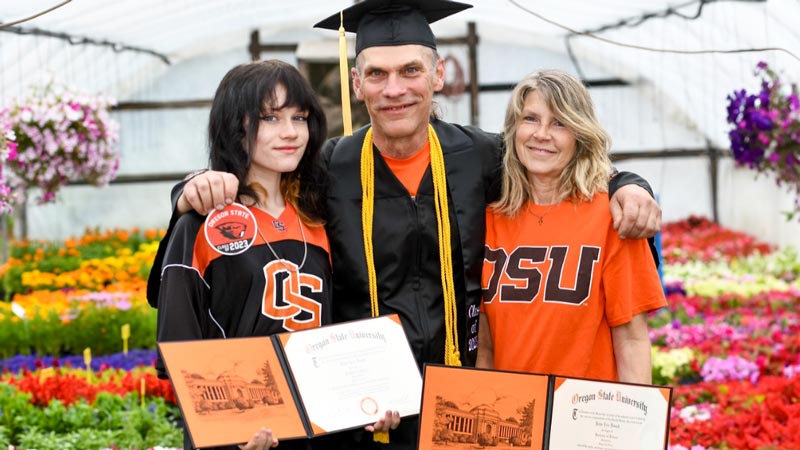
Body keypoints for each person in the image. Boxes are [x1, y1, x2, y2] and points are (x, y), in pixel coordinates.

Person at [148, 1, 661, 448]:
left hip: (468, 407)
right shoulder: (327, 167)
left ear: (437, 76)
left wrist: (629, 183)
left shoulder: (483, 156)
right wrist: (191, 188)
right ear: (357, 83)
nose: (394, 89)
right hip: (363, 412)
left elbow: (561, 158)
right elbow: (255, 186)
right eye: (377, 74)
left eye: (411, 71)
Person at [154, 60, 398, 450]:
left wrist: (374, 395)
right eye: (270, 118)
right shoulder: (202, 224)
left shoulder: (320, 216)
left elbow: (348, 325)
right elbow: (182, 351)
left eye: (299, 118)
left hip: (321, 431)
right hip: (240, 434)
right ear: (236, 127)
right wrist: (230, 432)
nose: (290, 133)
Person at [476, 69, 667, 384]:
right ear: (513, 130)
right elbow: (486, 348)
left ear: (580, 134)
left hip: (587, 421)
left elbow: (632, 340)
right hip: (512, 419)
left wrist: (635, 428)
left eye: (559, 123)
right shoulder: (491, 219)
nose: (542, 134)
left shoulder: (612, 217)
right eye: (531, 119)